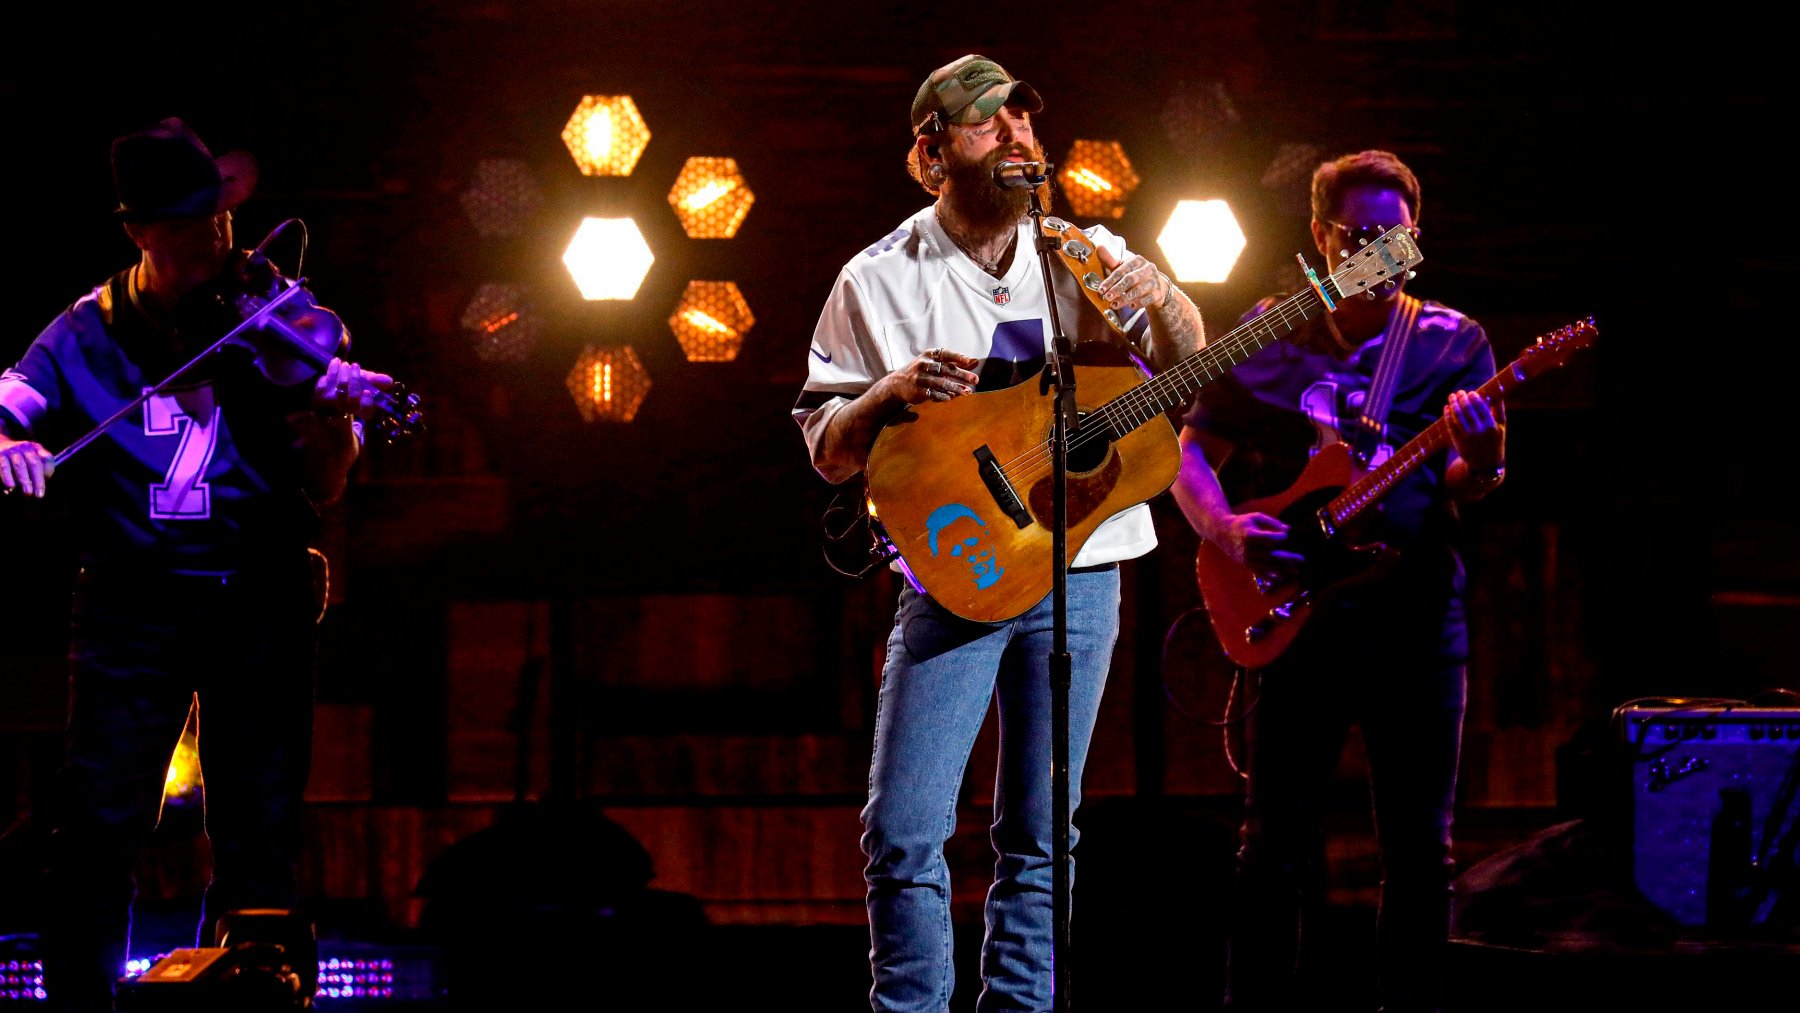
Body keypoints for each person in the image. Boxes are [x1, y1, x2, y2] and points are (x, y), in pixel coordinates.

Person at [793, 54, 1204, 1013]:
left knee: (1043, 830)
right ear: (933, 152)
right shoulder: (878, 277)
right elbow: (826, 449)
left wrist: (1168, 298)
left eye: (1024, 120)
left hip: (1083, 571)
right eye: (990, 124)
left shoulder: (1080, 252)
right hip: (958, 570)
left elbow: (1185, 369)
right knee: (903, 827)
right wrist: (889, 392)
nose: (1018, 136)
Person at [0, 117, 390, 1011]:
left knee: (260, 807)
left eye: (219, 221)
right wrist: (6, 440)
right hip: (131, 600)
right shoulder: (82, 331)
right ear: (138, 232)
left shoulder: (281, 317)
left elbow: (325, 487)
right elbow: (11, 402)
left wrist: (331, 411)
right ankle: (81, 998)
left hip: (259, 590)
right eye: (187, 229)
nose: (216, 245)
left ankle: (256, 986)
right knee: (100, 813)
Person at [1171, 149, 1507, 1013]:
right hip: (1299, 624)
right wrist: (1222, 527)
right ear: (1320, 238)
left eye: (1395, 238)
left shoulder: (1454, 341)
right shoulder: (1267, 332)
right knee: (1271, 847)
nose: (1378, 254)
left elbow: (1470, 485)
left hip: (1418, 624)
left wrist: (1486, 455)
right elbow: (1190, 455)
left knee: (1420, 851)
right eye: (1359, 236)